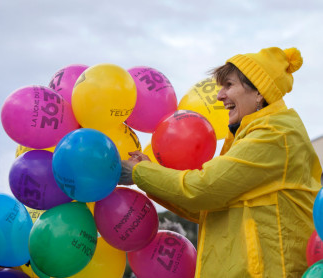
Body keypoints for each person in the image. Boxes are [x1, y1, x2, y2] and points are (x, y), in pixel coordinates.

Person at [119, 47, 322, 277]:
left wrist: (141, 172)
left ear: (259, 92)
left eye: (229, 85)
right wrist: (146, 174)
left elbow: (203, 188)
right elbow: (208, 206)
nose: (219, 95)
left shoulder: (275, 135)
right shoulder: (253, 136)